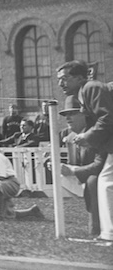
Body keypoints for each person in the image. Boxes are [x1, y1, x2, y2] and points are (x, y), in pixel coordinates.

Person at [57, 60, 113, 242]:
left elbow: (106, 117)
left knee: (106, 182)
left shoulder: (91, 88)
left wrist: (86, 137)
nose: (61, 83)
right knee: (105, 181)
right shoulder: (86, 93)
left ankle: (109, 234)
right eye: (59, 79)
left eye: (65, 78)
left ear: (81, 78)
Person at [57, 101, 105, 237]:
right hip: (86, 177)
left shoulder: (96, 134)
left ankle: (96, 230)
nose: (67, 118)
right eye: (66, 114)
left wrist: (72, 171)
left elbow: (99, 165)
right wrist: (59, 166)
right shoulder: (71, 137)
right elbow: (75, 163)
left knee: (92, 181)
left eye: (73, 113)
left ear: (85, 115)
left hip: (102, 176)